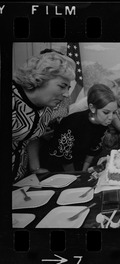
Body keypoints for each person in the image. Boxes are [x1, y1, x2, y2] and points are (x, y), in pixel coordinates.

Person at [12, 51, 76, 181]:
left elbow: (32, 137)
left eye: (68, 88)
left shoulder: (47, 107)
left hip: (20, 177)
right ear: (40, 78)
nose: (66, 94)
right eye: (62, 86)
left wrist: (35, 168)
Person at [47, 84, 117, 172]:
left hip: (80, 164)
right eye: (106, 112)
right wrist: (76, 176)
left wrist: (84, 171)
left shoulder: (102, 123)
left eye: (114, 112)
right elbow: (65, 158)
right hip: (59, 168)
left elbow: (92, 150)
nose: (111, 117)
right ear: (92, 108)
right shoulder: (72, 123)